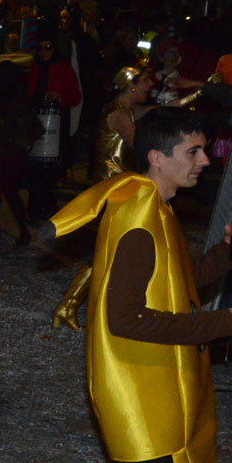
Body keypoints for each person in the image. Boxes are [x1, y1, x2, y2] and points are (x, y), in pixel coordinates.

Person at [47, 107, 232, 463]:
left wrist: (228, 254)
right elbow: (126, 318)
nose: (205, 160)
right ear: (157, 157)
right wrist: (221, 323)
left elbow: (179, 283)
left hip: (157, 369)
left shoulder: (157, 206)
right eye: (194, 151)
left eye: (204, 149)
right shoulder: (139, 216)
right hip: (134, 374)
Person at [52, 66, 155, 329]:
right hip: (115, 192)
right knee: (111, 252)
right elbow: (139, 147)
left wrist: (195, 95)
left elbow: (153, 111)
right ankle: (68, 306)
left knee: (111, 252)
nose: (149, 86)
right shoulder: (120, 115)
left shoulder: (119, 108)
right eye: (144, 82)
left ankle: (69, 307)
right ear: (131, 84)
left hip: (114, 189)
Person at [0, 61, 41, 246]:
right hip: (13, 155)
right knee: (9, 193)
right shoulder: (20, 98)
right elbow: (34, 129)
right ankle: (21, 230)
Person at [24, 28, 82, 221]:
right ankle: (41, 207)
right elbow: (29, 93)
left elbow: (76, 96)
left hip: (56, 123)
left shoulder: (63, 67)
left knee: (47, 167)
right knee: (35, 166)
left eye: (47, 48)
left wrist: (60, 97)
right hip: (37, 121)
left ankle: (42, 207)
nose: (43, 52)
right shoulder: (36, 67)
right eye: (40, 49)